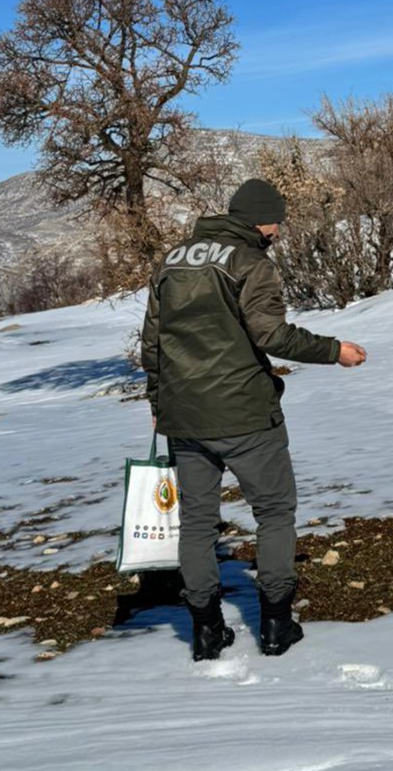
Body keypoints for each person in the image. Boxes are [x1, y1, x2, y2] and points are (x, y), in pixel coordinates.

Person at [141, 178, 367, 661]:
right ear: (257, 220)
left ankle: (205, 632)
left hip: (185, 417)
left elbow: (153, 341)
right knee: (274, 512)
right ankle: (276, 627)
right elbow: (271, 335)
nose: (279, 230)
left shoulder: (173, 260)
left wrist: (159, 401)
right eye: (275, 221)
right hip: (245, 415)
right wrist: (334, 351)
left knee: (197, 525)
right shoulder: (251, 262)